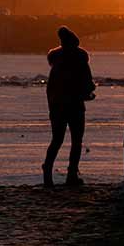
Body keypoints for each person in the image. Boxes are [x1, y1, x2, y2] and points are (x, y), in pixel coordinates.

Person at [42, 26, 95, 187]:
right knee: (76, 141)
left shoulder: (56, 62)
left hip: (57, 106)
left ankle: (47, 170)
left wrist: (52, 106)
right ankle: (72, 174)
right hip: (75, 106)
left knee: (57, 140)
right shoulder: (80, 59)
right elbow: (88, 83)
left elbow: (50, 89)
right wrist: (88, 93)